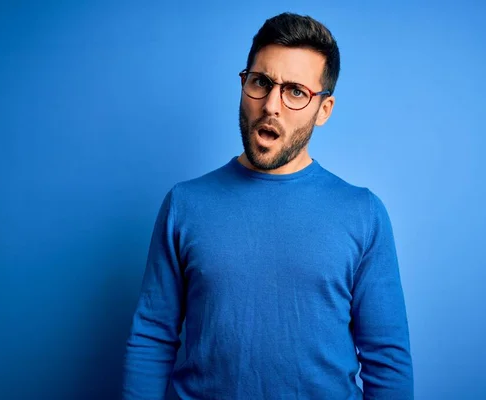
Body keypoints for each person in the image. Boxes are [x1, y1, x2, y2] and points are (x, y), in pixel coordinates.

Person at [122, 12, 413, 400]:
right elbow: (152, 338)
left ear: (323, 110)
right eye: (261, 82)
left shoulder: (364, 214)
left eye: (295, 91)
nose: (271, 105)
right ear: (244, 84)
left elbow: (387, 361)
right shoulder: (184, 204)